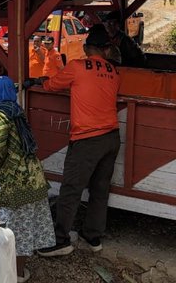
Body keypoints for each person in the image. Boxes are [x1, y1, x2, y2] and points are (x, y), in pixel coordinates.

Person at [37, 24, 121, 257]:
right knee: (100, 189)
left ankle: (61, 239)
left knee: (71, 189)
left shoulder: (77, 66)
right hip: (112, 137)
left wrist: (38, 84)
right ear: (106, 50)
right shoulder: (114, 72)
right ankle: (92, 236)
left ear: (85, 48)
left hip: (87, 138)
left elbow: (51, 84)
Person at [0, 76, 55, 283]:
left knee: (12, 230)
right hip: (34, 178)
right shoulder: (17, 111)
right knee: (25, 229)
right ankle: (19, 271)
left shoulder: (1, 114)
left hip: (15, 180)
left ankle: (11, 273)